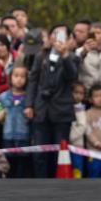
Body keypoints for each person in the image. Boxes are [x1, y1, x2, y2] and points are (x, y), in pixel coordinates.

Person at [25, 25, 78, 178]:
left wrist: (65, 55)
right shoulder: (41, 56)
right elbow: (33, 81)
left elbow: (72, 76)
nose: (57, 37)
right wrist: (29, 104)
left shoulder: (73, 57)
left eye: (61, 34)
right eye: (54, 33)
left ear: (69, 39)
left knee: (59, 153)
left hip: (61, 111)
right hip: (42, 110)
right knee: (40, 153)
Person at [0, 66, 31, 178]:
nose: (19, 79)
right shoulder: (2, 97)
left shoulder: (29, 97)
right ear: (10, 78)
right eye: (16, 76)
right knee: (9, 166)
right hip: (7, 137)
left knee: (23, 167)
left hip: (24, 137)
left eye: (22, 76)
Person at [69, 81, 88, 178]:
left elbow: (82, 126)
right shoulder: (67, 106)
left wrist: (70, 137)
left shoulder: (80, 108)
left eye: (81, 93)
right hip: (67, 146)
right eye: (76, 92)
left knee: (77, 169)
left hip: (77, 145)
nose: (78, 96)